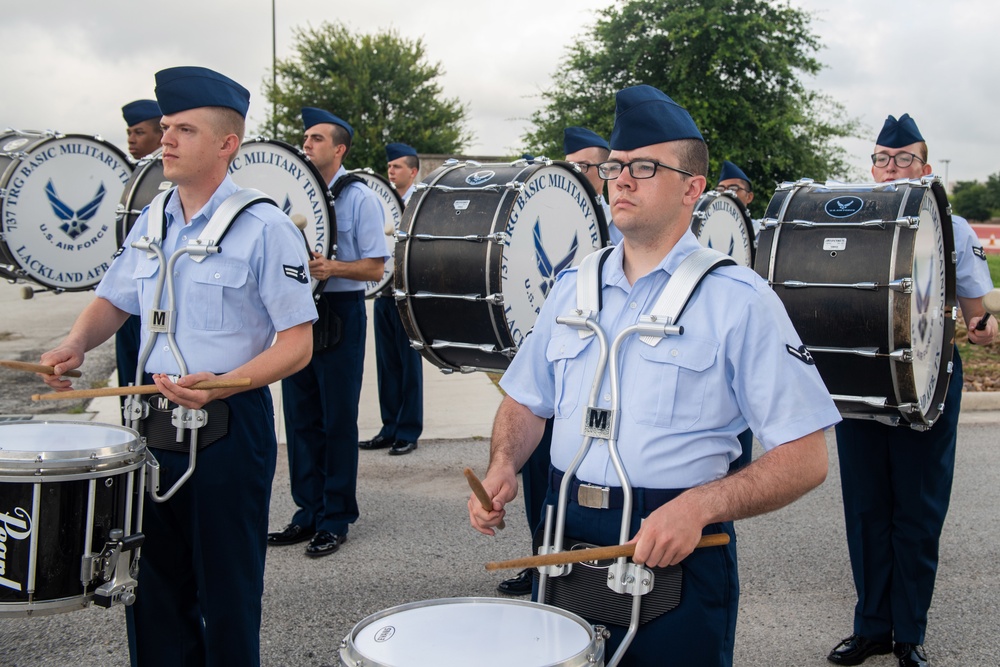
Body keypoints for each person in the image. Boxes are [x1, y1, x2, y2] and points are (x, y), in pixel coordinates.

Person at [468, 84, 841, 666]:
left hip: (677, 549)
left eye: (644, 167)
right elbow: (526, 400)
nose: (621, 179)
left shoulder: (739, 300)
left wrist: (698, 507)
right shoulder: (572, 287)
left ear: (693, 188)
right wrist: (502, 466)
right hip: (564, 535)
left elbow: (806, 456)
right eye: (616, 167)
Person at [40, 66, 316, 667]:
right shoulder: (154, 216)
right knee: (152, 588)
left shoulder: (264, 227)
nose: (165, 139)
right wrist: (75, 343)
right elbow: (115, 298)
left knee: (226, 590)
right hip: (150, 424)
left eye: (183, 129)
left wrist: (228, 383)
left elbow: (298, 343)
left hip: (227, 426)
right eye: (164, 127)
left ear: (226, 144)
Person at [827, 113, 997, 667]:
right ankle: (872, 627)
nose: (891, 167)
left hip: (927, 388)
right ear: (871, 167)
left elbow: (977, 313)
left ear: (924, 168)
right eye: (881, 158)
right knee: (867, 512)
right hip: (863, 386)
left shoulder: (955, 226)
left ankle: (909, 634)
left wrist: (984, 328)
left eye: (903, 159)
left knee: (917, 514)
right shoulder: (850, 221)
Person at [269, 107, 387, 557]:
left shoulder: (360, 197)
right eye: (305, 138)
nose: (307, 144)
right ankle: (306, 512)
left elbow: (376, 267)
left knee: (336, 419)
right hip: (298, 310)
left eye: (317, 138)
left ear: (339, 148)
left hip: (340, 309)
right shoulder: (294, 194)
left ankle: (335, 517)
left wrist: (332, 267)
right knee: (300, 417)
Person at [359, 142, 423, 456]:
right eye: (389, 167)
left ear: (412, 171)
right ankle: (389, 428)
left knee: (408, 364)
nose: (391, 171)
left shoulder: (420, 204)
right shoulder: (381, 202)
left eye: (397, 167)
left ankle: (408, 430)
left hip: (406, 294)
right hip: (383, 291)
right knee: (387, 365)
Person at [116, 99, 164, 410]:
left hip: (159, 303)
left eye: (139, 132)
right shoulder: (131, 177)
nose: (132, 139)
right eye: (129, 133)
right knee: (130, 395)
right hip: (130, 300)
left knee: (154, 396)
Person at [714, 159, 756, 472]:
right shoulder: (710, 221)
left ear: (749, 196)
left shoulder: (759, 233)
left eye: (734, 189)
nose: (728, 193)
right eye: (722, 188)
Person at [563, 125, 622, 244]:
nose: (573, 172)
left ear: (605, 170)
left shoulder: (620, 222)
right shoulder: (554, 216)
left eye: (582, 166)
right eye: (569, 166)